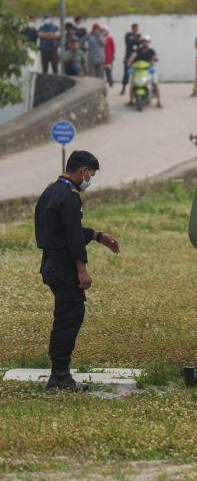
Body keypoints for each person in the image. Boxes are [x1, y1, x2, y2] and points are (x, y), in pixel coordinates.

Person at [34, 150, 120, 391]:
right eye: (90, 175)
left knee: (65, 316)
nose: (90, 180)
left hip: (49, 263)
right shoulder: (70, 196)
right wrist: (82, 269)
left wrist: (97, 236)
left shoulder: (50, 192)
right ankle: (59, 377)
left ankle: (58, 374)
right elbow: (71, 236)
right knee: (69, 317)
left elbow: (62, 229)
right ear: (82, 170)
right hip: (64, 266)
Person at [127, 36, 161, 108]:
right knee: (132, 84)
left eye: (145, 41)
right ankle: (130, 100)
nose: (144, 43)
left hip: (148, 69)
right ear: (141, 42)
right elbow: (134, 55)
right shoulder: (138, 50)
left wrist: (154, 59)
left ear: (148, 42)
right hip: (138, 69)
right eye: (143, 41)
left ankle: (158, 101)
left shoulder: (151, 50)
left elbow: (154, 56)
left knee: (155, 83)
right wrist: (129, 62)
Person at [121, 23, 140, 95]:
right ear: (132, 28)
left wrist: (137, 39)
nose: (135, 29)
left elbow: (140, 44)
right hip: (128, 57)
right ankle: (123, 88)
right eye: (134, 28)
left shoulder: (138, 36)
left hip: (136, 58)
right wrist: (136, 39)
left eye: (136, 28)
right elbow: (128, 43)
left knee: (137, 74)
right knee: (126, 74)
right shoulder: (128, 35)